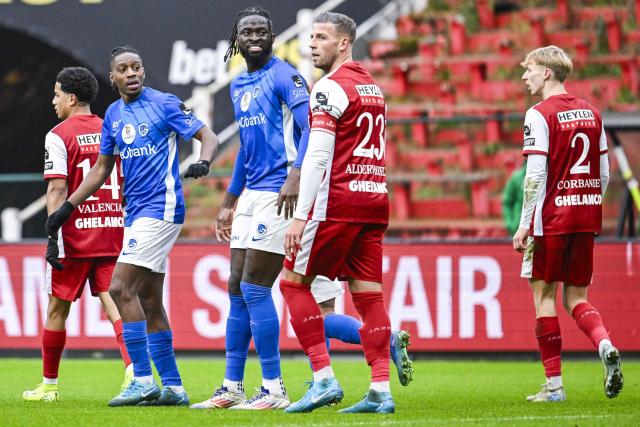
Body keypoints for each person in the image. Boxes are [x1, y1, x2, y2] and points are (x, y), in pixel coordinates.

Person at [44, 46, 219, 407]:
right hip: (136, 213)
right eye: (123, 69)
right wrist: (68, 208)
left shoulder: (165, 103)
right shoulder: (113, 113)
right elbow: (101, 169)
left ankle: (141, 379)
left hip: (162, 208)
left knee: (120, 287)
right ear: (113, 78)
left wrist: (204, 160)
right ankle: (173, 386)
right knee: (149, 300)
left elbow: (209, 136)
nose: (132, 73)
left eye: (136, 67)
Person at [278, 12, 395, 414]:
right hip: (374, 199)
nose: (312, 44)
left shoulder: (328, 87)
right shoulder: (373, 88)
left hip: (337, 202)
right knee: (368, 295)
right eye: (311, 37)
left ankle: (323, 379)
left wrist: (299, 217)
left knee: (293, 284)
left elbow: (318, 156)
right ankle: (381, 389)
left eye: (322, 37)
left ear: (344, 43)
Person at [513, 45, 623, 402]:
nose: (524, 76)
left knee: (544, 296)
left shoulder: (538, 114)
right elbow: (605, 173)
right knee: (577, 297)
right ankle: (604, 342)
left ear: (546, 72)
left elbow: (534, 174)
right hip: (586, 216)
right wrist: (587, 203)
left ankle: (555, 386)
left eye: (529, 69)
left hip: (551, 220)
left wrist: (525, 224)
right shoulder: (593, 113)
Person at [23, 67, 132, 403]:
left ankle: (49, 386)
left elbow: (57, 187)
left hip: (73, 236)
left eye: (57, 94)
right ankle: (134, 373)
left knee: (57, 309)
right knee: (117, 304)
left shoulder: (58, 134)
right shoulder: (111, 128)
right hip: (111, 230)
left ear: (71, 98)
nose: (53, 101)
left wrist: (53, 235)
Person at [502, 161, 526, 236]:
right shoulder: (517, 177)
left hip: (541, 230)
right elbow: (507, 202)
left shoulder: (548, 175)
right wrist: (510, 223)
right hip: (517, 228)